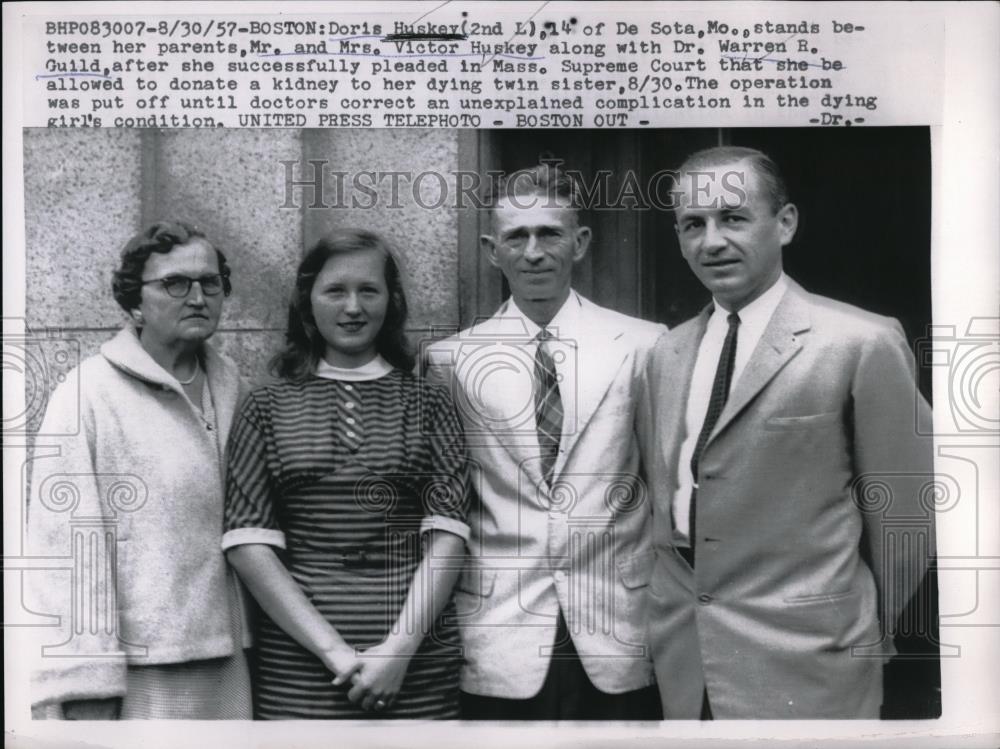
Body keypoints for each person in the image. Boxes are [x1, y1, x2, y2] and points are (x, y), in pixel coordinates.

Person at [637, 146, 935, 719]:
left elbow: (908, 515)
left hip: (814, 661)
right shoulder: (666, 353)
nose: (712, 241)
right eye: (692, 225)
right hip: (688, 661)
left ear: (786, 223)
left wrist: (860, 624)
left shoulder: (859, 342)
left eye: (733, 218)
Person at [424, 163, 667, 720]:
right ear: (492, 250)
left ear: (579, 243)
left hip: (616, 626)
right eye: (517, 236)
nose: (534, 252)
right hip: (499, 631)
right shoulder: (451, 360)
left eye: (550, 233)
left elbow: (660, 482)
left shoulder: (642, 345)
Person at [223, 229, 469, 719]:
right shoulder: (266, 404)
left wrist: (397, 653)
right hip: (301, 671)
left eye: (369, 290)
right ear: (307, 299)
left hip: (415, 666)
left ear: (391, 300)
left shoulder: (429, 400)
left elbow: (449, 535)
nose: (353, 307)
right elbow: (249, 545)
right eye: (335, 290)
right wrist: (334, 653)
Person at [27, 220, 252, 720]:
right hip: (142, 670)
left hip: (231, 657)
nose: (197, 296)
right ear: (134, 301)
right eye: (175, 283)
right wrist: (86, 680)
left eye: (209, 283)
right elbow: (65, 546)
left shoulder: (231, 383)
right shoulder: (87, 393)